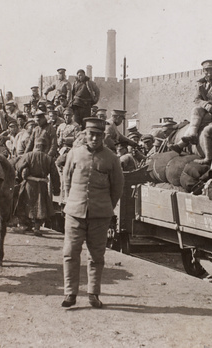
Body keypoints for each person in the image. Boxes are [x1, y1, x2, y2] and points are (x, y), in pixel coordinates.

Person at [62, 117, 124, 308]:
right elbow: (67, 179)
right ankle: (70, 293)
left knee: (96, 256)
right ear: (85, 135)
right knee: (70, 253)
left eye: (98, 135)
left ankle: (93, 294)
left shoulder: (111, 159)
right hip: (74, 212)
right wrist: (70, 201)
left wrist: (105, 206)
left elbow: (117, 187)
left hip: (99, 215)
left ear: (103, 137)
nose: (94, 139)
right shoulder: (74, 154)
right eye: (91, 134)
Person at [16, 137, 60, 236]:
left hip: (29, 185)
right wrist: (56, 190)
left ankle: (24, 225)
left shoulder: (27, 156)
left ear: (35, 145)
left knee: (26, 203)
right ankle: (37, 227)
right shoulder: (48, 159)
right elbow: (55, 175)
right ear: (45, 147)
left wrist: (21, 176)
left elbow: (18, 167)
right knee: (40, 205)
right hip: (42, 185)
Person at [180, 60, 212, 144]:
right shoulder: (201, 83)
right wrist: (206, 105)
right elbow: (197, 99)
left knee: (199, 120)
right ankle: (192, 135)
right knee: (196, 110)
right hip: (206, 109)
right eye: (206, 70)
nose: (209, 72)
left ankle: (181, 144)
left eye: (211, 70)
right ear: (203, 71)